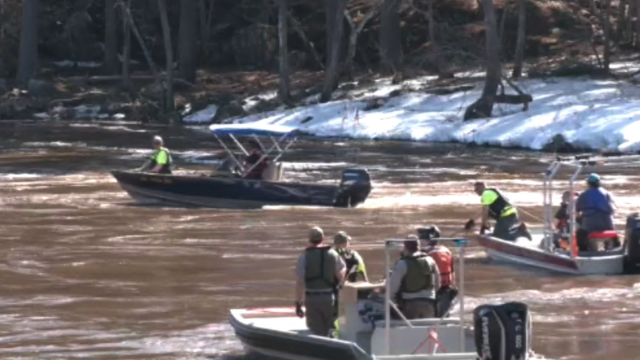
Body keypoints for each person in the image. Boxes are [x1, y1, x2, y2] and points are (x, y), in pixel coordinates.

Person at [295, 226, 346, 337]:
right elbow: (342, 270)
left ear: (309, 239)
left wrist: (299, 302)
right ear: (323, 238)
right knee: (331, 329)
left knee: (316, 332)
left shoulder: (305, 256)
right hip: (328, 297)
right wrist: (341, 284)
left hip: (312, 298)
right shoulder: (333, 254)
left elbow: (300, 281)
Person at [388, 235, 440, 319]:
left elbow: (392, 287)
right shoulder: (430, 260)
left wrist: (392, 302)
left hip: (410, 303)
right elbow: (438, 283)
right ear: (418, 246)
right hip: (429, 302)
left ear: (405, 247)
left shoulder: (402, 263)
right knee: (426, 328)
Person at [417, 226, 458, 317]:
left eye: (422, 239)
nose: (420, 242)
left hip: (431, 290)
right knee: (444, 316)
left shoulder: (424, 253)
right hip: (447, 289)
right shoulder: (447, 250)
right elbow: (452, 271)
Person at [575, 173, 616, 251]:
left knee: (580, 234)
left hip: (590, 226)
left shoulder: (584, 195)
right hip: (607, 224)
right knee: (614, 235)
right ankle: (613, 249)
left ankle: (583, 251)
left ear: (589, 183)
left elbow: (577, 211)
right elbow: (612, 210)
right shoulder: (607, 194)